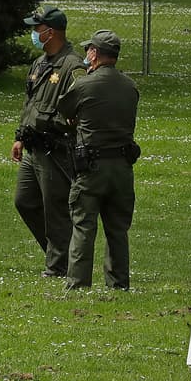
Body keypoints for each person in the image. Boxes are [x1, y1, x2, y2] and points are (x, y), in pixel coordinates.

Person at [55, 30, 140, 290]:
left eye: (88, 50)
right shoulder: (130, 86)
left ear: (94, 53)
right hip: (122, 166)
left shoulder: (85, 84)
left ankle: (78, 283)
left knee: (84, 225)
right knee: (118, 229)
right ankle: (118, 283)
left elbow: (63, 111)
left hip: (91, 167)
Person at [12, 5, 85, 278]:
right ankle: (59, 252)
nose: (34, 33)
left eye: (37, 28)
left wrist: (48, 124)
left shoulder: (73, 66)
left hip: (55, 148)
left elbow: (77, 108)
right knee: (24, 201)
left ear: (50, 32)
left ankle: (58, 266)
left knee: (56, 209)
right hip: (33, 147)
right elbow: (30, 102)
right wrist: (20, 136)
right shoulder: (39, 64)